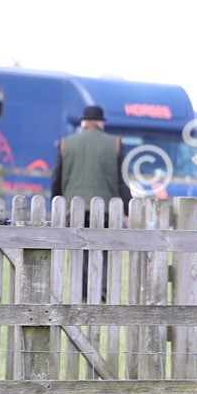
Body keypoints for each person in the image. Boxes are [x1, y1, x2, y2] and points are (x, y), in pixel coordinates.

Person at [50, 104, 133, 301]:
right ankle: (101, 289)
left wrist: (57, 205)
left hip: (73, 208)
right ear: (101, 123)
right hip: (105, 209)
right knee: (102, 250)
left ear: (83, 123)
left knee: (78, 251)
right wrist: (128, 210)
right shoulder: (116, 143)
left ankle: (80, 291)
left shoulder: (65, 144)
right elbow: (122, 181)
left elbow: (56, 179)